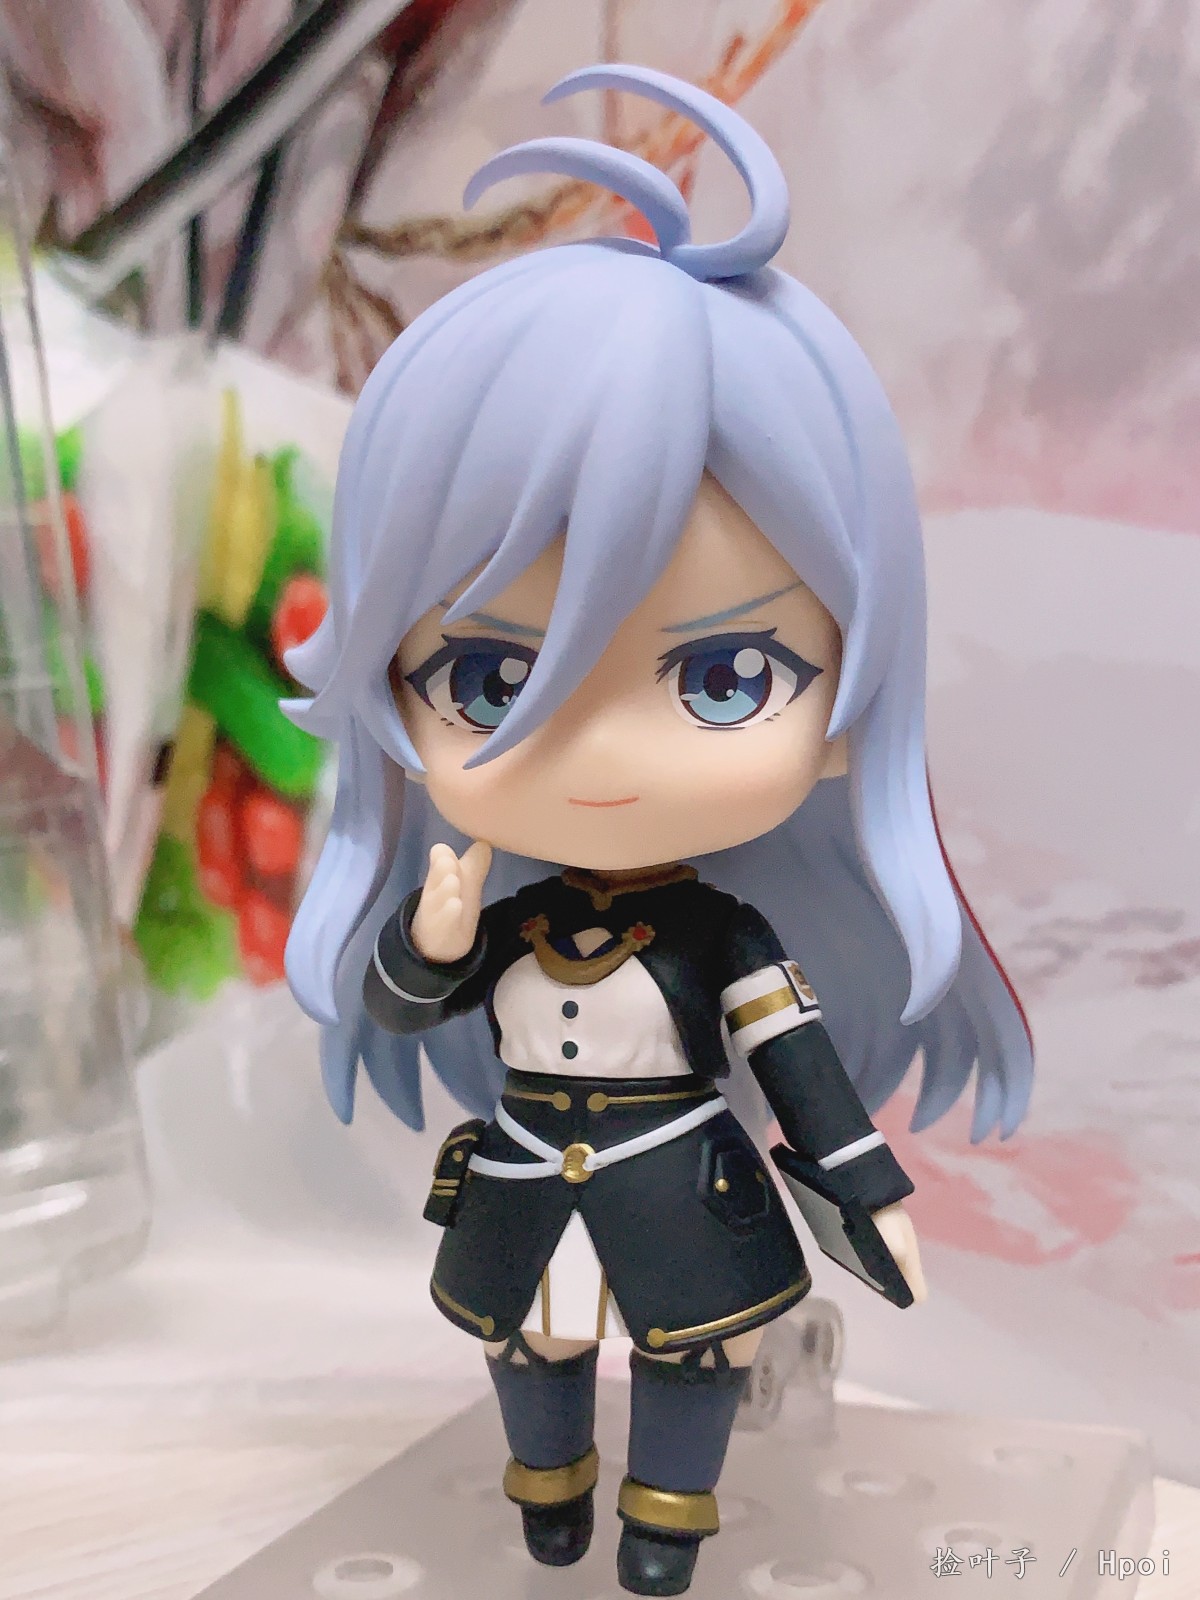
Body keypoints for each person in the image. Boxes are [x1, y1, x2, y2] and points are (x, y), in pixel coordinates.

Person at [284, 63, 1033, 1599]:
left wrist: (867, 1194)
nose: (599, 754)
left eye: (726, 676)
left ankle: (669, 1523)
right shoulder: (496, 910)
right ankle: (549, 1492)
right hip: (522, 1186)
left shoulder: (724, 937)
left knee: (691, 1361)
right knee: (533, 1349)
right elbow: (406, 1001)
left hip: (682, 1186)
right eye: (492, 680)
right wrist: (430, 940)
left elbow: (800, 1071)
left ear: (851, 696)